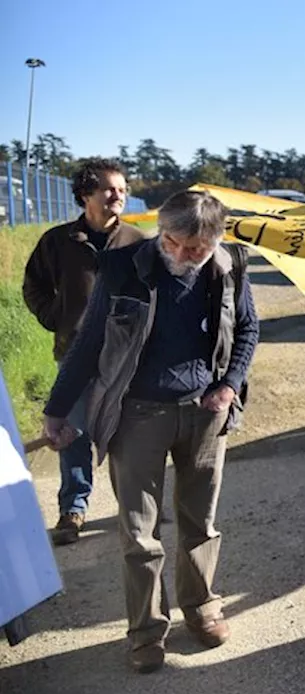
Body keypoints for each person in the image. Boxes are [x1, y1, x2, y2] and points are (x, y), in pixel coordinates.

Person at [41, 190, 259, 673]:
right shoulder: (122, 268)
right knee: (139, 535)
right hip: (136, 415)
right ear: (161, 231)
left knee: (199, 523)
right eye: (173, 242)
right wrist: (58, 410)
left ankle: (201, 608)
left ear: (216, 241)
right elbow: (89, 342)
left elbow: (247, 330)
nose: (181, 256)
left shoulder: (231, 265)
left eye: (195, 249)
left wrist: (228, 387)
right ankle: (145, 631)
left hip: (205, 414)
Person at [22, 158, 146, 545]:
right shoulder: (58, 242)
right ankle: (73, 509)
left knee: (128, 433)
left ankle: (137, 509)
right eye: (110, 189)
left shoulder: (137, 243)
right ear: (85, 195)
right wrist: (56, 317)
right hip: (74, 354)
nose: (118, 196)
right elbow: (33, 287)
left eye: (122, 189)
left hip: (125, 360)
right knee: (71, 435)